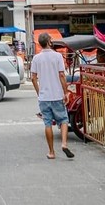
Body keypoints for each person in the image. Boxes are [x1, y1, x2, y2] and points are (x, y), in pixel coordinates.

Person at [30, 32, 74, 160]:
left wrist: (39, 92)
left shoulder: (36, 58)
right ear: (49, 42)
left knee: (47, 124)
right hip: (57, 95)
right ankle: (64, 143)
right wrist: (66, 92)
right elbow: (62, 75)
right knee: (64, 120)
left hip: (44, 97)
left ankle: (51, 152)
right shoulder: (57, 56)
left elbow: (33, 78)